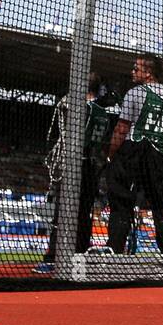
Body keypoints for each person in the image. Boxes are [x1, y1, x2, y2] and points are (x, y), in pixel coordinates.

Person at [104, 56, 163, 259]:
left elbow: (122, 127)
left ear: (148, 73)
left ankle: (115, 248)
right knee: (162, 207)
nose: (132, 72)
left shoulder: (135, 93)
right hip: (161, 156)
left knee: (122, 200)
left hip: (134, 152)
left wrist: (110, 155)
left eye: (136, 69)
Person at [34, 74, 118, 274]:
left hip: (74, 164)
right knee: (84, 214)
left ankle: (53, 257)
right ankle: (79, 254)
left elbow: (66, 131)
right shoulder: (103, 113)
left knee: (62, 212)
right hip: (91, 166)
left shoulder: (80, 109)